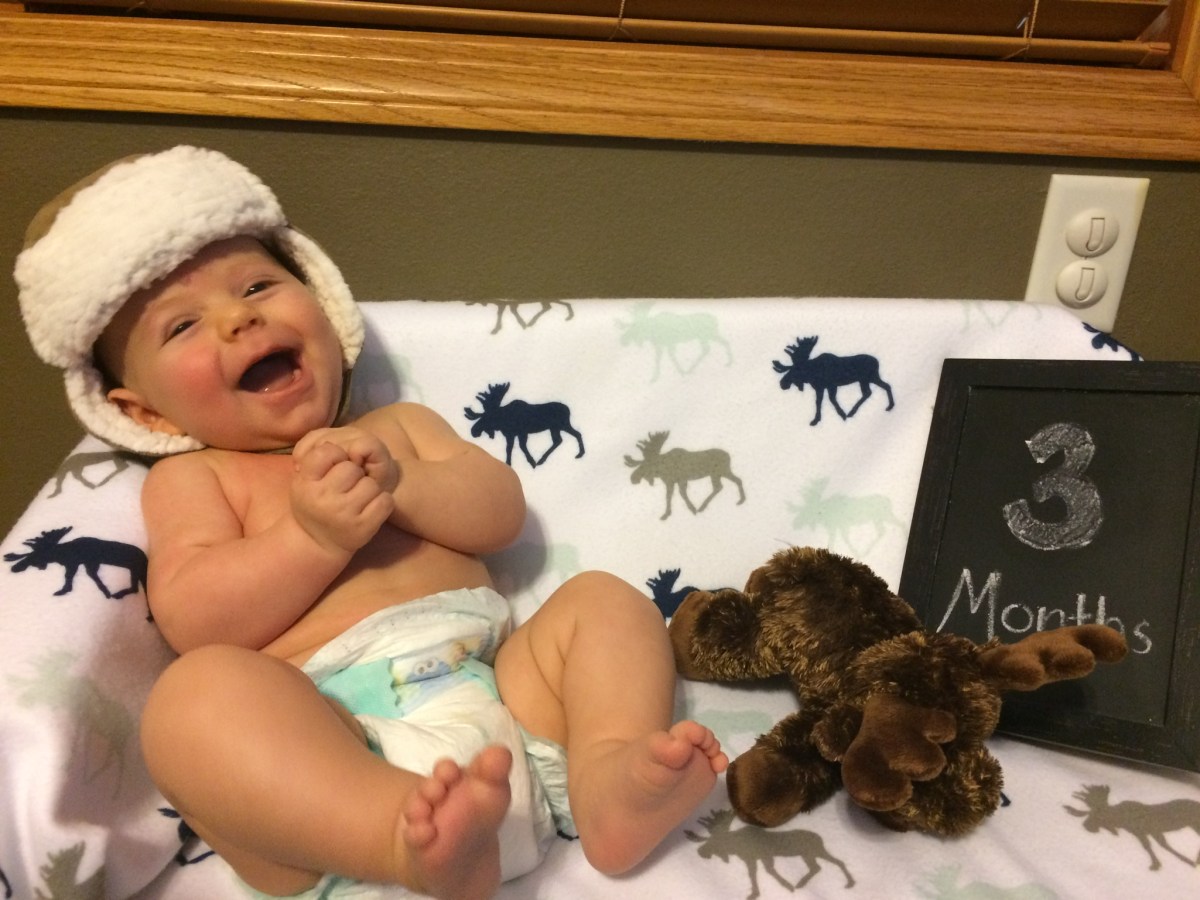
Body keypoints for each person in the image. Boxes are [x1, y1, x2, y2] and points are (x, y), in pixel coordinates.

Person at [14, 146, 727, 899]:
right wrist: (310, 540)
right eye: (183, 326)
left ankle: (607, 776)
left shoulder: (398, 428)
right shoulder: (197, 479)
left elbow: (500, 512)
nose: (238, 317)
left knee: (603, 601)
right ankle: (398, 838)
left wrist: (402, 484)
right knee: (190, 702)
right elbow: (196, 618)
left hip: (502, 699)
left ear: (322, 303)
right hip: (335, 745)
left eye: (257, 285)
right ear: (146, 413)